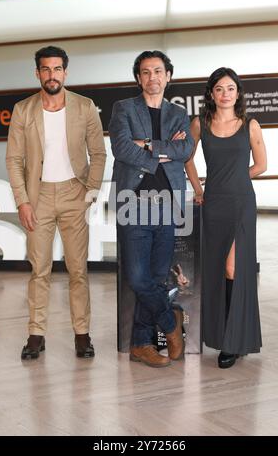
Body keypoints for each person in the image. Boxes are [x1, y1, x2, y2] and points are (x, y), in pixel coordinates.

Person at [6, 46, 106, 360]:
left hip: (74, 194)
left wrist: (90, 193)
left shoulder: (84, 106)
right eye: (46, 69)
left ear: (65, 71)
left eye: (57, 69)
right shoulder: (23, 109)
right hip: (38, 198)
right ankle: (36, 334)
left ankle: (82, 334)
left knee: (78, 270)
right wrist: (22, 202)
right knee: (40, 270)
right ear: (38, 73)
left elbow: (98, 154)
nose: (52, 75)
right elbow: (14, 159)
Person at [109, 50, 194, 368]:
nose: (152, 77)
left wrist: (148, 145)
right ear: (138, 77)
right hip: (133, 204)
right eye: (145, 72)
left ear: (168, 76)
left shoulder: (178, 114)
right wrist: (160, 151)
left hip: (168, 206)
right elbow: (121, 147)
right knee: (137, 276)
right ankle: (170, 323)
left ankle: (141, 343)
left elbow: (184, 150)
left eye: (158, 71)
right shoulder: (124, 108)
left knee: (158, 277)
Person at [185, 67, 267, 368]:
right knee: (217, 269)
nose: (225, 94)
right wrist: (198, 188)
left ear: (238, 93)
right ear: (211, 93)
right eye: (219, 88)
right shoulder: (200, 123)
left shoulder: (250, 125)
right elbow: (187, 158)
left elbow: (261, 165)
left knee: (234, 268)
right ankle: (226, 336)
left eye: (230, 88)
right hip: (213, 204)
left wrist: (235, 178)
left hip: (242, 203)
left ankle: (233, 342)